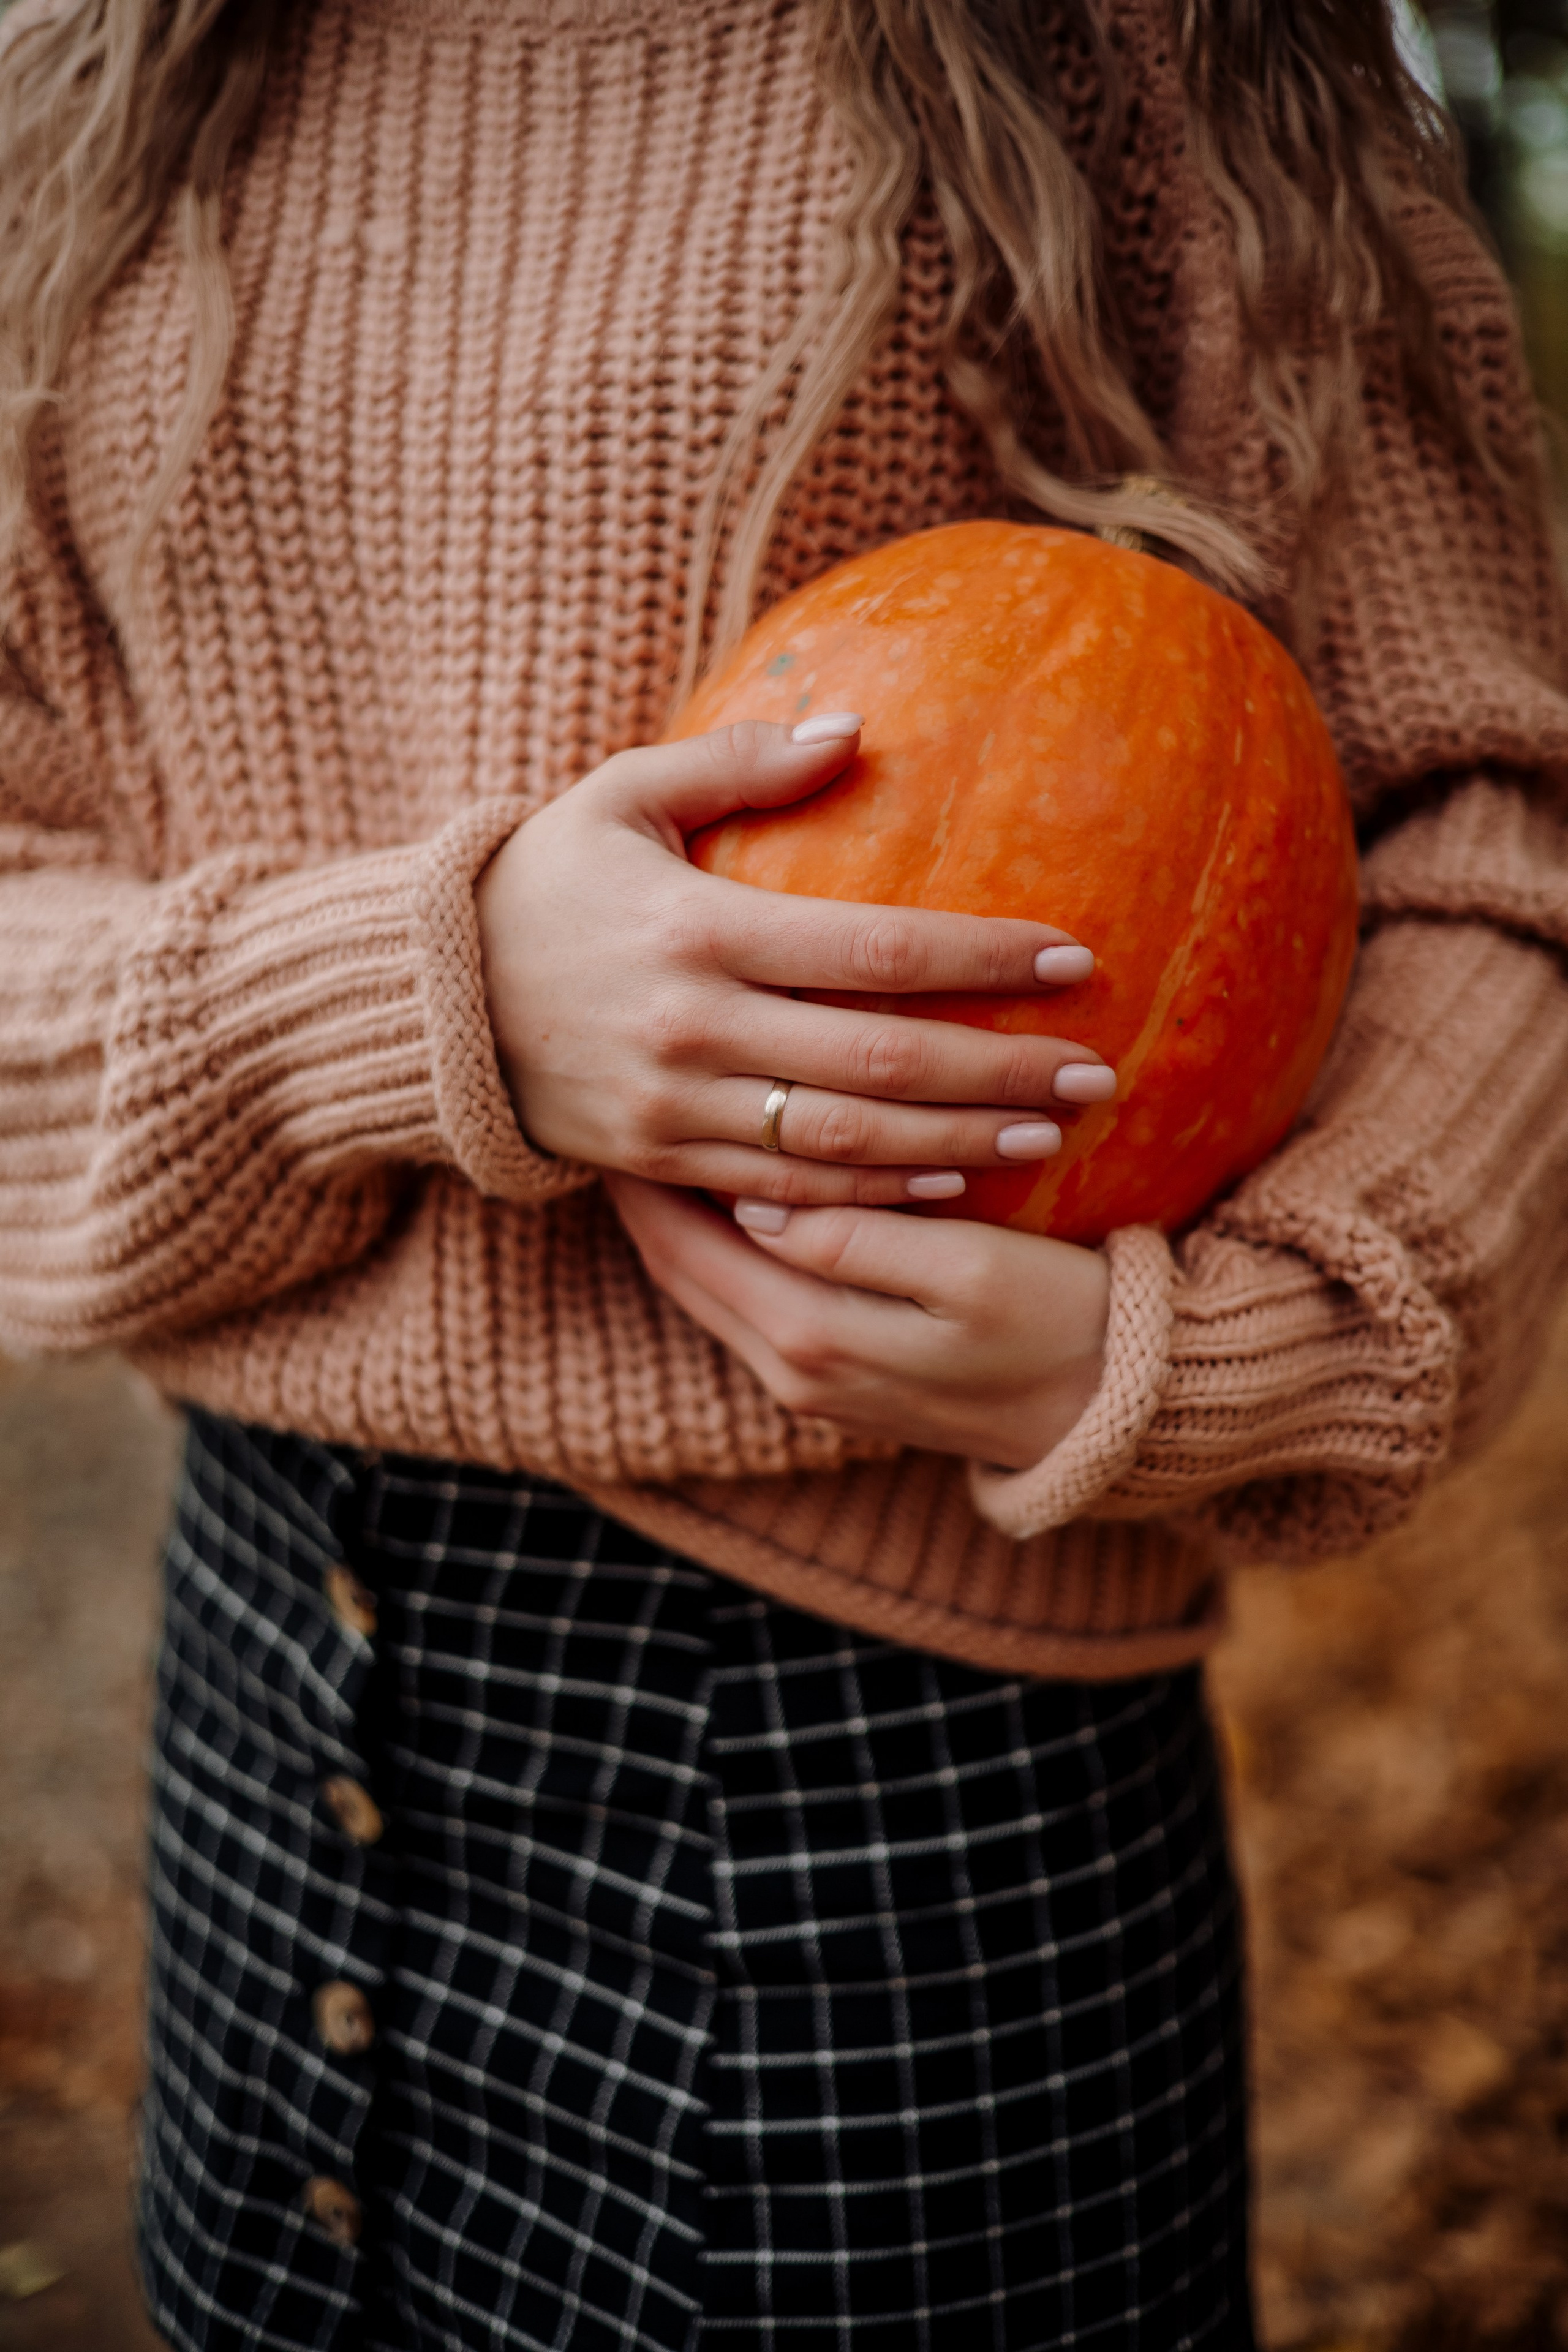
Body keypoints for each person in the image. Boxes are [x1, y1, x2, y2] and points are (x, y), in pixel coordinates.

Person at [1, 0, 1566, 2343]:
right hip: (264, 1648)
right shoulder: (91, 86)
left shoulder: (1150, 44)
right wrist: (434, 990)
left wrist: (1224, 1343)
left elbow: (1496, 828)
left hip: (881, 1749)